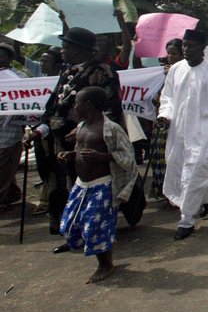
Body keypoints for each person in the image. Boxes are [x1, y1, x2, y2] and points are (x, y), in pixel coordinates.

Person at [27, 27, 123, 241]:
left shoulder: (103, 73)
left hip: (89, 144)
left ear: (79, 50)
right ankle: (70, 232)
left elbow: (111, 111)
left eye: (66, 47)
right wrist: (40, 129)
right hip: (60, 143)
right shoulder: (67, 73)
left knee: (88, 189)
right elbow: (55, 106)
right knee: (61, 187)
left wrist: (83, 130)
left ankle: (93, 234)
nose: (62, 51)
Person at [55, 87, 137, 283]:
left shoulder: (110, 129)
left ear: (89, 105)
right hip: (82, 185)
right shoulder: (82, 126)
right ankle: (104, 255)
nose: (75, 107)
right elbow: (81, 149)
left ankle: (105, 264)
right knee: (69, 223)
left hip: (102, 185)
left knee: (95, 227)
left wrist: (103, 157)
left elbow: (128, 158)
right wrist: (71, 155)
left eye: (78, 103)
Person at [157, 29, 208, 240]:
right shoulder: (175, 70)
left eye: (191, 46)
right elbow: (167, 97)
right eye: (185, 45)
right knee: (180, 168)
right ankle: (205, 201)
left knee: (194, 173)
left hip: (204, 132)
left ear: (203, 48)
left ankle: (186, 220)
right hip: (178, 130)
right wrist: (165, 115)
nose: (187, 49)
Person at [148, 38, 184, 200]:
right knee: (160, 157)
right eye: (168, 54)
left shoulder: (185, 73)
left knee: (175, 159)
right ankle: (164, 192)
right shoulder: (165, 73)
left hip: (178, 123)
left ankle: (177, 193)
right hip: (162, 123)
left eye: (174, 54)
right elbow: (157, 98)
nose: (170, 57)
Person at [31, 47, 64, 215]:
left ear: (58, 64)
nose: (42, 64)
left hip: (56, 133)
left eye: (46, 61)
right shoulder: (38, 81)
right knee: (44, 166)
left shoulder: (64, 81)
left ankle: (48, 201)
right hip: (38, 131)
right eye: (41, 61)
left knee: (55, 166)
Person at [0, 43, 25, 213]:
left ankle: (1, 200)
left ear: (10, 58)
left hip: (8, 130)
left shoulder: (17, 77)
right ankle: (11, 193)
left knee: (3, 167)